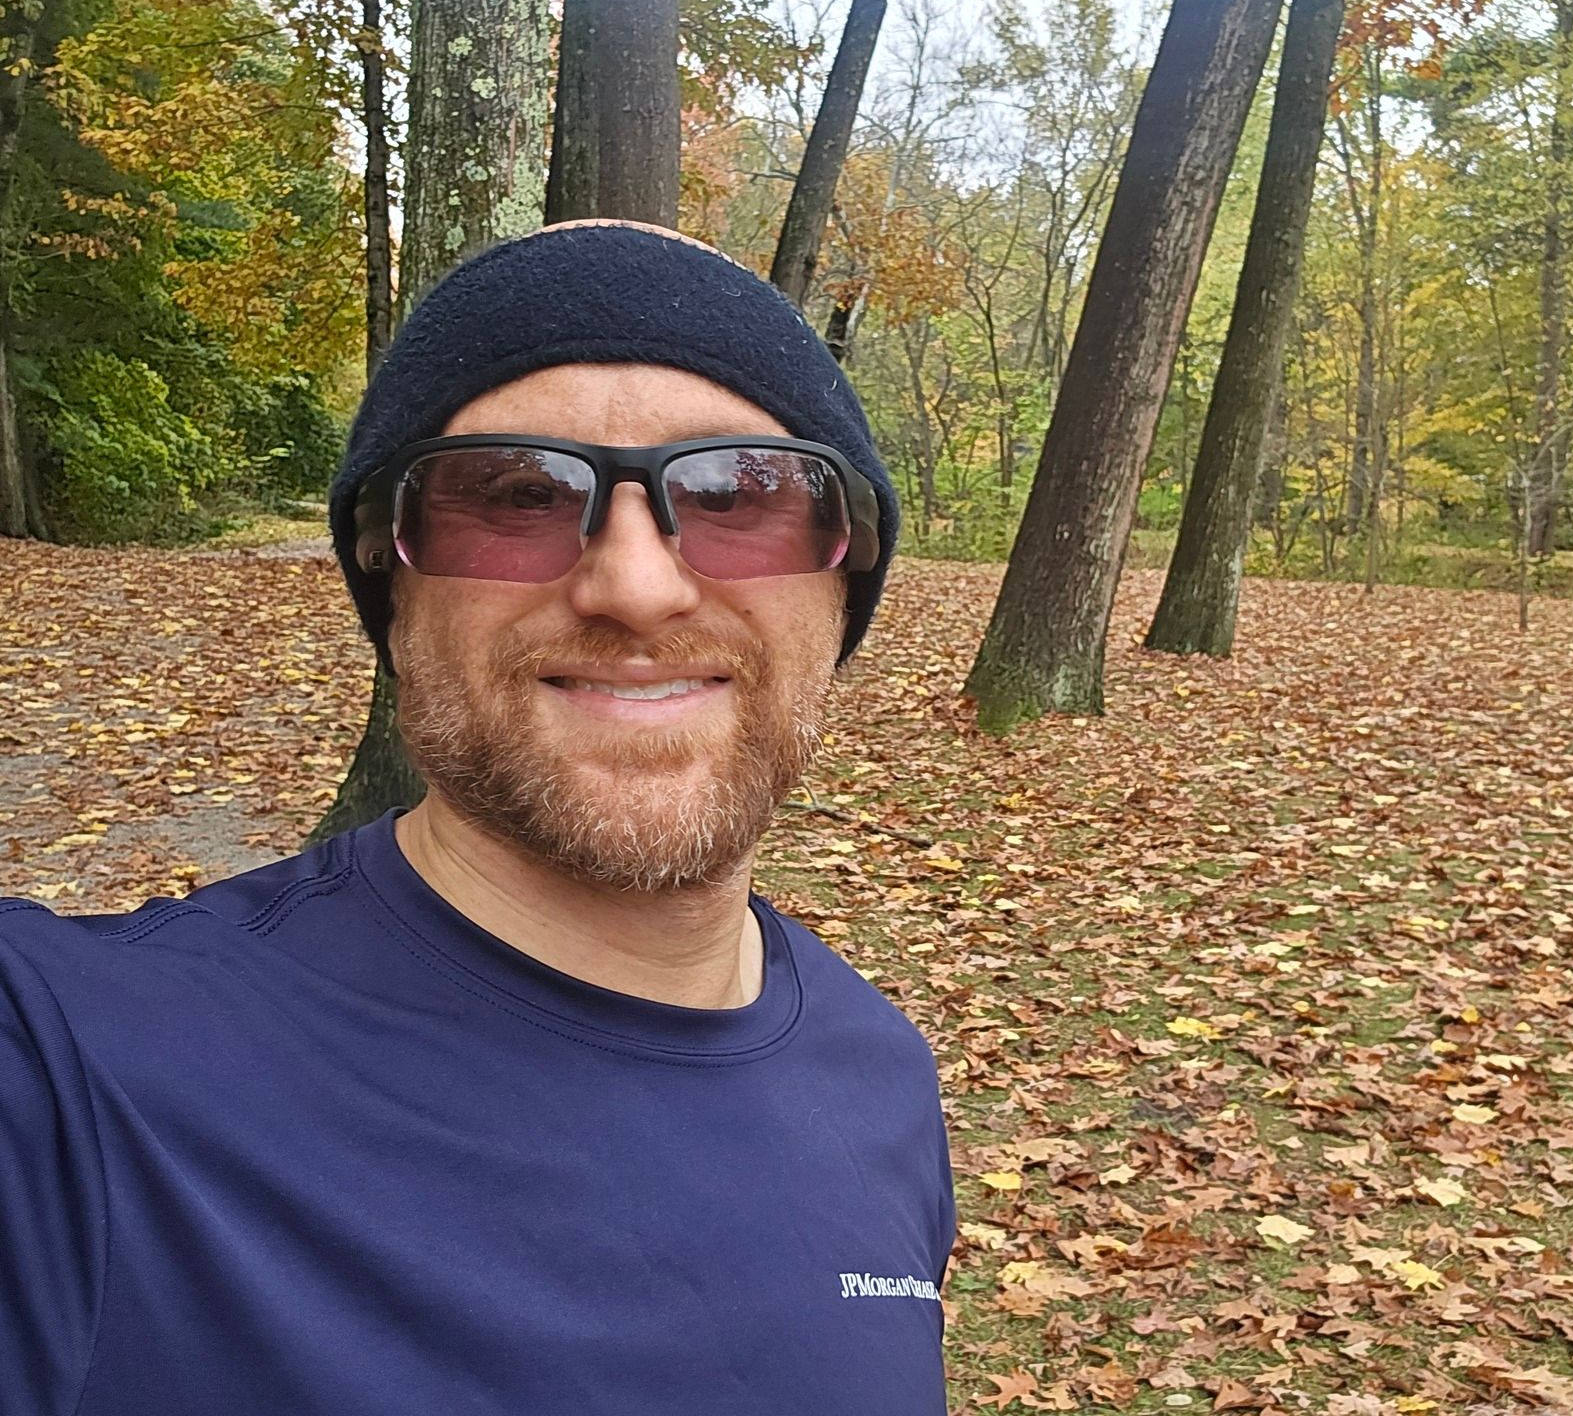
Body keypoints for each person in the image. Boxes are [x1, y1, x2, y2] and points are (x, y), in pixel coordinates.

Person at [0, 222, 955, 1415]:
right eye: (516, 494)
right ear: (391, 584)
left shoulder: (879, 1081)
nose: (637, 585)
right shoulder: (72, 1073)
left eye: (740, 493)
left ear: (843, 578)